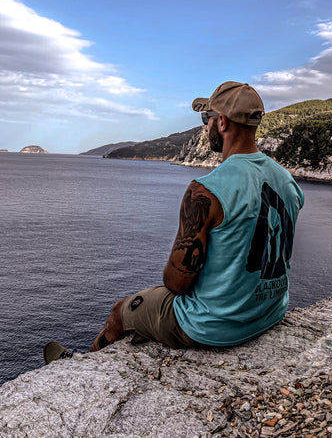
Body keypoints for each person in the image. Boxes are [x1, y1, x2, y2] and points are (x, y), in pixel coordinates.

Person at [44, 81, 304, 363]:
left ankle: (77, 365)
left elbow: (177, 283)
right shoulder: (287, 182)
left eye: (206, 119)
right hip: (269, 313)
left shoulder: (206, 191)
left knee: (121, 311)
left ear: (222, 122)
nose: (206, 127)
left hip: (214, 327)